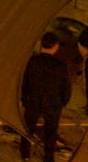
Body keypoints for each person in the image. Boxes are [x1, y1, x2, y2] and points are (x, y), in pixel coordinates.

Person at [20, 32, 71, 162]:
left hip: (33, 100)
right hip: (53, 103)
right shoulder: (60, 66)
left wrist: (24, 98)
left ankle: (25, 153)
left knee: (28, 127)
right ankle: (49, 156)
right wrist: (64, 101)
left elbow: (25, 82)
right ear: (55, 47)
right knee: (51, 132)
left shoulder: (32, 61)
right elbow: (66, 87)